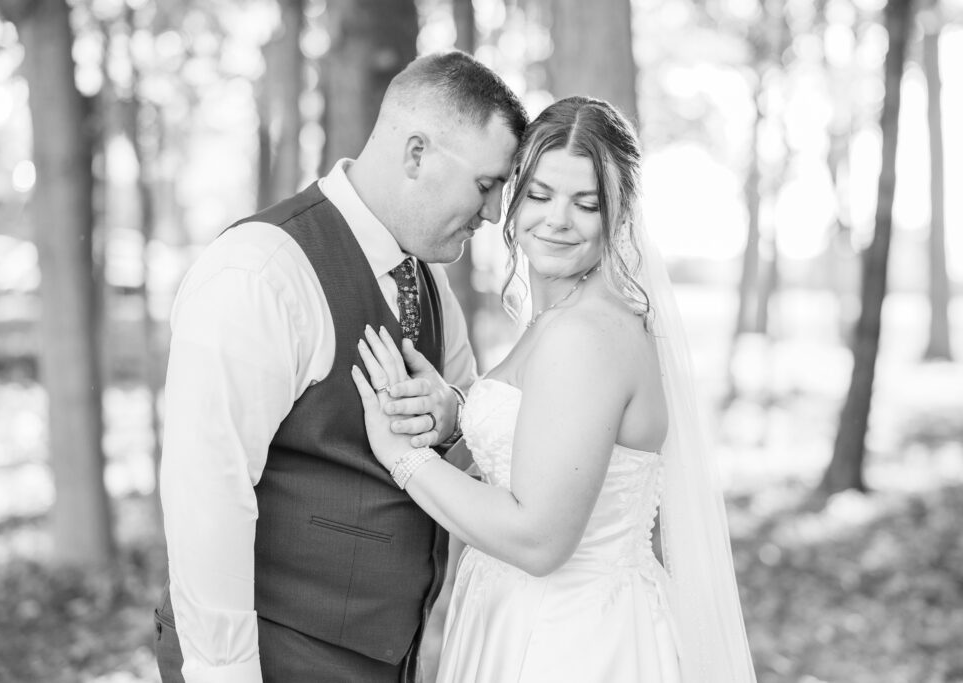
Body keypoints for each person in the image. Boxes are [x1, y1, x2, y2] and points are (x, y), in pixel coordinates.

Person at [352, 96, 757, 682]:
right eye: (539, 195)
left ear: (619, 216)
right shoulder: (556, 321)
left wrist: (405, 458)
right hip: (522, 620)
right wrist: (455, 415)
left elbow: (540, 539)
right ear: (511, 202)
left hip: (571, 642)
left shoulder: (585, 337)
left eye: (586, 204)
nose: (557, 219)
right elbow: (535, 453)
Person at [153, 50, 528, 683]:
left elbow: (474, 456)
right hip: (271, 660)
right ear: (417, 154)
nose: (495, 214)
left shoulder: (431, 288)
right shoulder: (261, 272)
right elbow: (205, 494)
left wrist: (453, 418)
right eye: (487, 185)